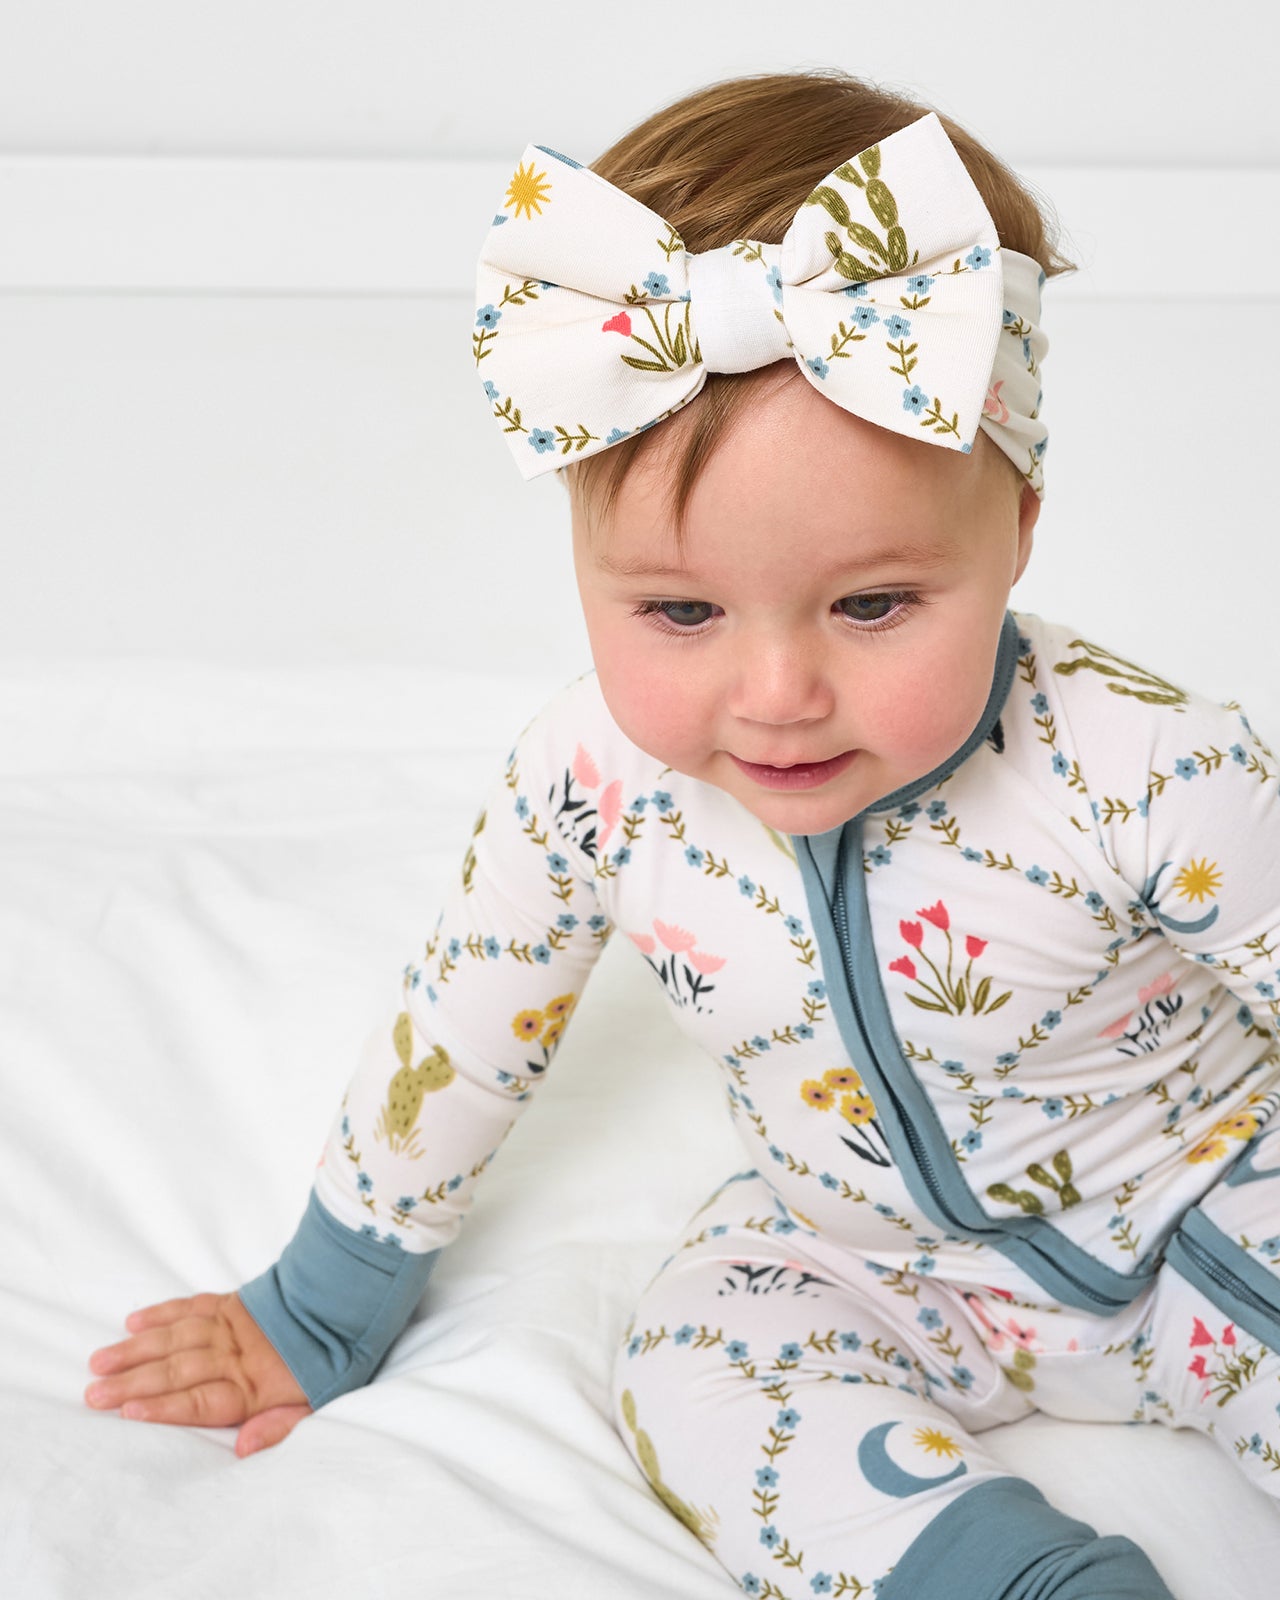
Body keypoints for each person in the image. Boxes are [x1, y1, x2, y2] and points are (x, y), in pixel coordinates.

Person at [85, 71, 1280, 1599]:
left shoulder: (1150, 765)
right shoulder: (585, 781)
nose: (776, 695)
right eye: (679, 612)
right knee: (696, 1371)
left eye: (873, 605)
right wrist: (324, 1303)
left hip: (1203, 1208)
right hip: (867, 1260)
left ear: (1020, 523)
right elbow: (464, 1027)